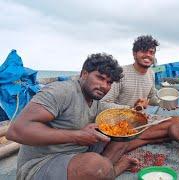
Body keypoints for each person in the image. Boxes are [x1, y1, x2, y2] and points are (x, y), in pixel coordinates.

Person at [6, 53, 138, 180]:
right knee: (96, 167)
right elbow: (15, 131)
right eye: (100, 78)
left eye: (109, 82)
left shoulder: (96, 102)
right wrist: (78, 136)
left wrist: (136, 108)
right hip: (41, 164)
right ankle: (111, 171)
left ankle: (105, 172)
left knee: (124, 132)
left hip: (78, 155)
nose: (104, 86)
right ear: (84, 74)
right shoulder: (62, 91)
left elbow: (122, 112)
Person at [102, 35, 179, 151]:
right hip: (120, 122)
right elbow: (103, 103)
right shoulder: (120, 73)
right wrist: (132, 108)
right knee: (169, 131)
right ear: (134, 54)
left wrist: (164, 102)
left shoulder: (151, 74)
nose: (148, 55)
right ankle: (131, 140)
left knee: (176, 121)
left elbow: (152, 96)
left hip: (140, 121)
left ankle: (133, 140)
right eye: (143, 51)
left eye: (151, 52)